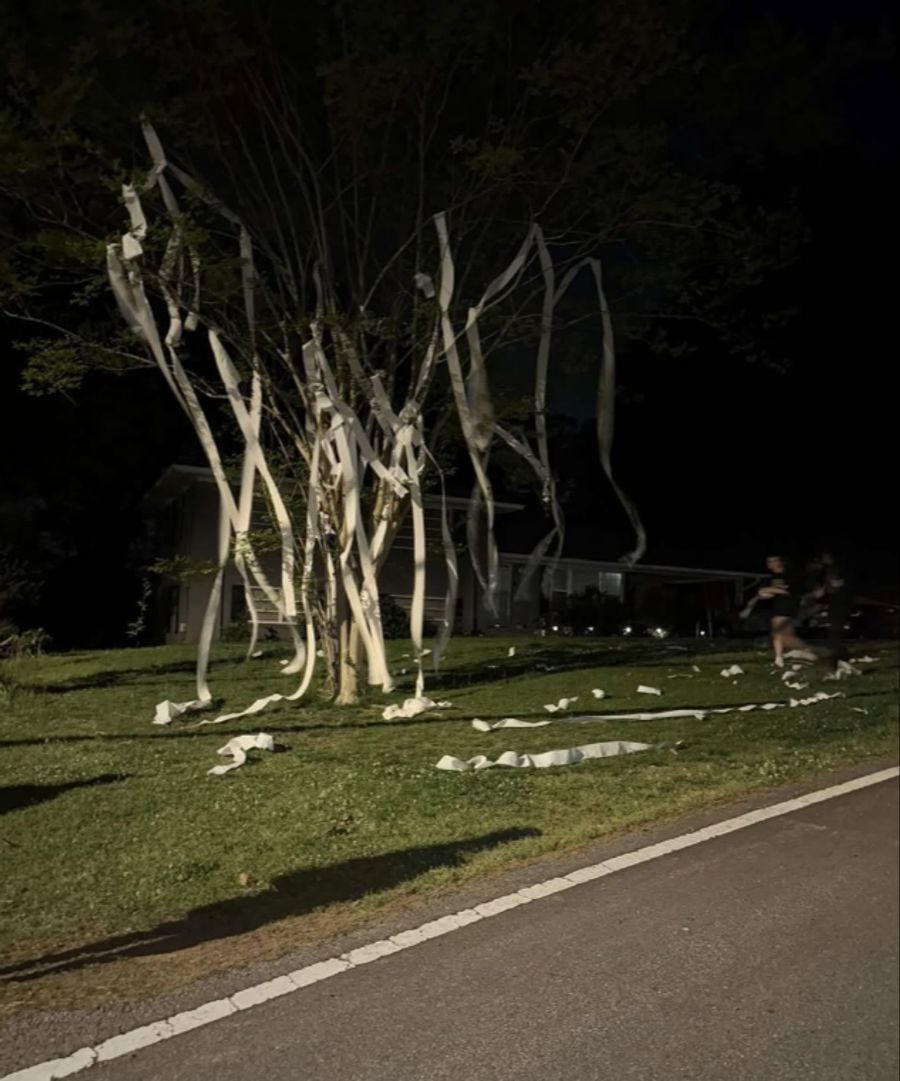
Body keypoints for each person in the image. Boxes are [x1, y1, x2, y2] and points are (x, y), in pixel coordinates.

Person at [742, 555, 816, 667]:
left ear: (781, 562)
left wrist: (769, 589)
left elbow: (789, 591)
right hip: (779, 606)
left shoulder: (789, 574)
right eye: (768, 561)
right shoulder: (774, 577)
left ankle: (779, 659)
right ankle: (805, 650)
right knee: (786, 635)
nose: (769, 563)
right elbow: (771, 593)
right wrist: (757, 598)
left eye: (773, 560)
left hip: (788, 606)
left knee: (777, 633)